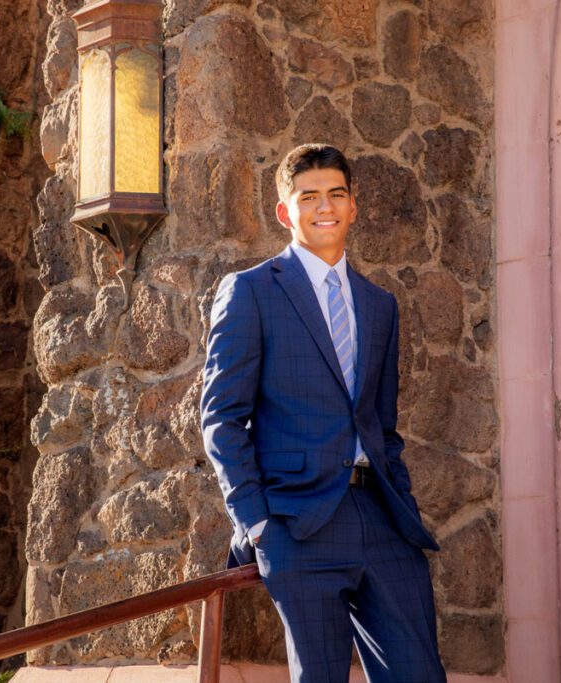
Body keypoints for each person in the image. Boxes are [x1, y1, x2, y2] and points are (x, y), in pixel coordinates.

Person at [200, 143, 446, 683]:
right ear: (286, 212)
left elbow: (382, 424)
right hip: (297, 524)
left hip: (382, 520)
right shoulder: (250, 292)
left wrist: (400, 499)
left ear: (353, 206)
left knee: (420, 675)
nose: (325, 206)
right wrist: (258, 524)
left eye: (336, 194)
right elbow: (221, 417)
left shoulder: (380, 305)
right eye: (309, 196)